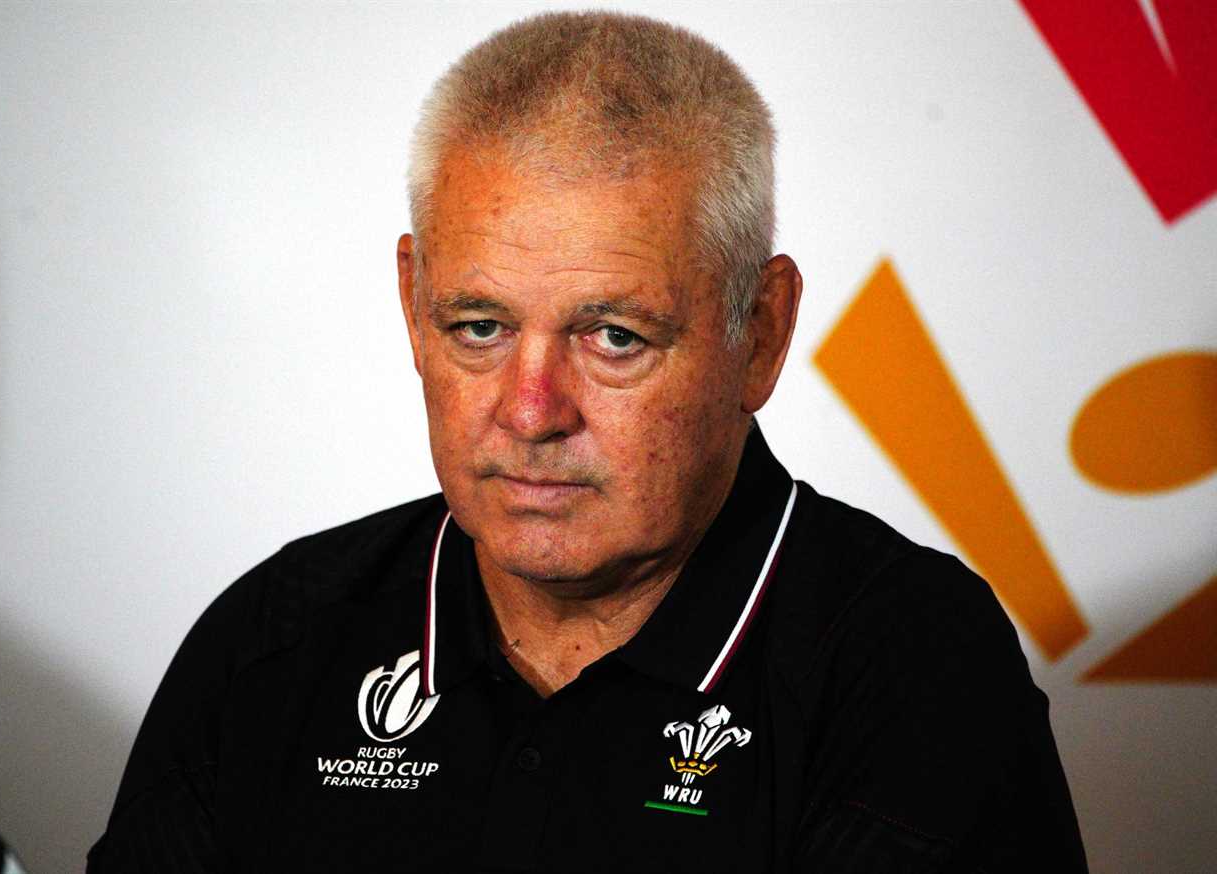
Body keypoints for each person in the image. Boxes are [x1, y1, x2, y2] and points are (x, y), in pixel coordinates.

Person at [89, 11, 1087, 872]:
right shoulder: (275, 641)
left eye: (612, 336)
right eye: (477, 326)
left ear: (762, 332)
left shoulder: (910, 666)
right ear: (410, 303)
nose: (529, 410)